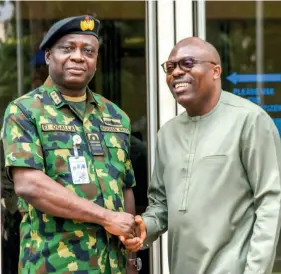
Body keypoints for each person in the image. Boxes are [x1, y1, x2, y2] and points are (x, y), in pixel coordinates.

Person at [121, 37, 281, 274]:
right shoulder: (167, 133)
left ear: (215, 71)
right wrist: (145, 226)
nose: (176, 72)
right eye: (170, 67)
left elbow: (270, 203)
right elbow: (161, 204)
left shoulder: (250, 121)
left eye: (187, 63)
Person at [1, 15, 139, 274]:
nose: (78, 57)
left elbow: (125, 188)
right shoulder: (25, 111)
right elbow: (30, 185)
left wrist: (130, 256)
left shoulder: (115, 116)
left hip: (113, 266)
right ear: (48, 56)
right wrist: (107, 218)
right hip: (53, 264)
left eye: (88, 51)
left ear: (96, 61)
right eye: (68, 48)